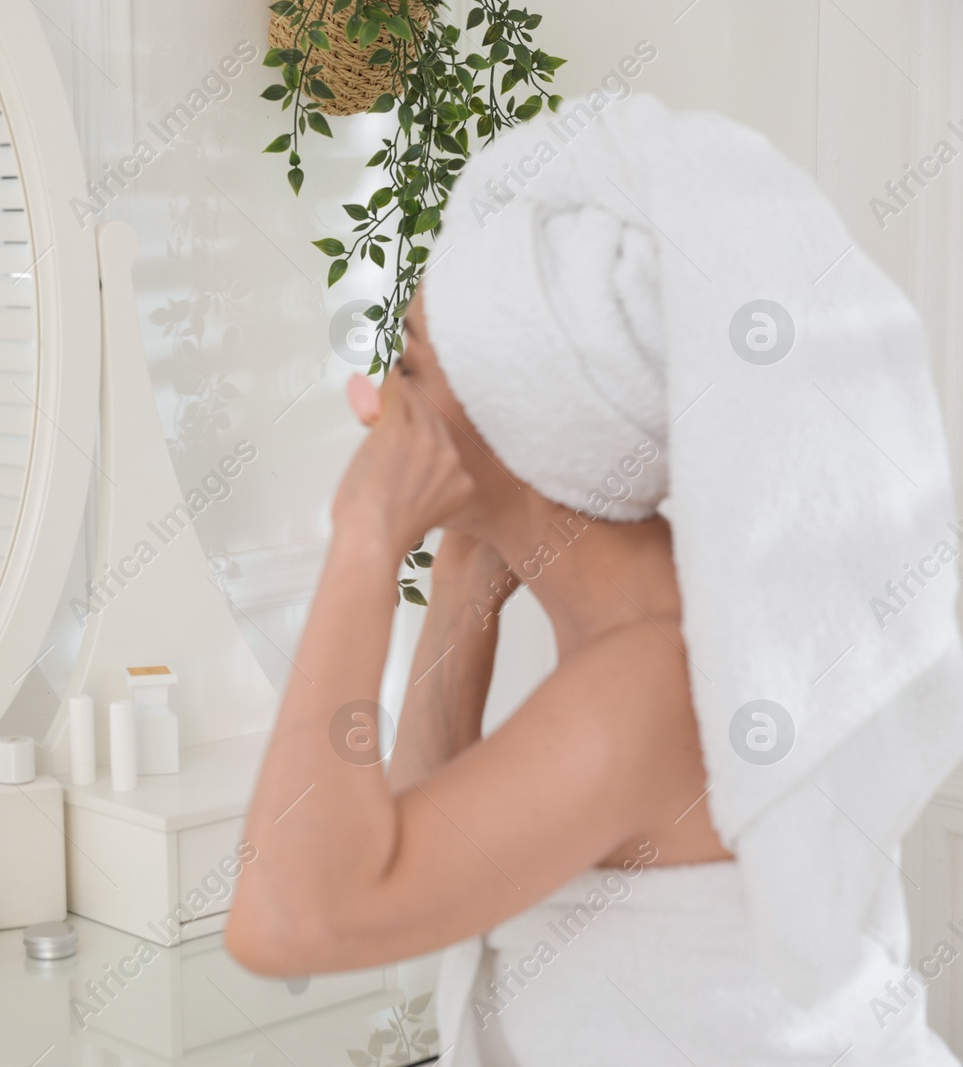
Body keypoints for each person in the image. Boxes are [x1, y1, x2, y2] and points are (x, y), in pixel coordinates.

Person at [225, 92, 963, 1063]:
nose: (379, 398)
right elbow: (420, 869)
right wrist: (461, 573)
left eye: (408, 363)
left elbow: (288, 919)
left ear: (526, 406)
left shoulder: (651, 682)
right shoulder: (655, 632)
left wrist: (364, 534)